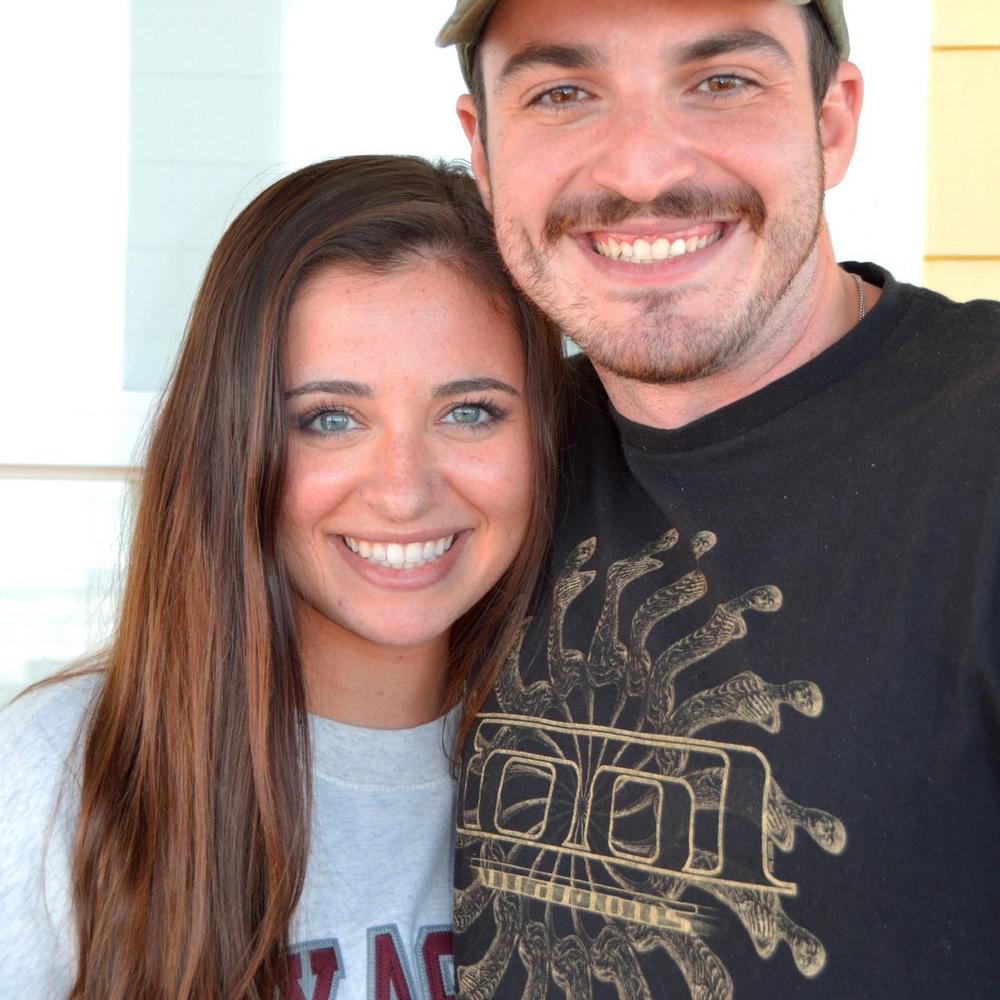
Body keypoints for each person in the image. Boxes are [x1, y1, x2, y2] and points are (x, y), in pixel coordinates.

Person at [437, 1, 1000, 997]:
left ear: (832, 119)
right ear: (483, 151)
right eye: (562, 94)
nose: (640, 172)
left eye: (721, 82)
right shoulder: (461, 478)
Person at [0, 155, 565, 999]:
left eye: (469, 412)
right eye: (329, 419)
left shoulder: (604, 759)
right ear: (232, 442)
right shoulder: (63, 770)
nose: (404, 491)